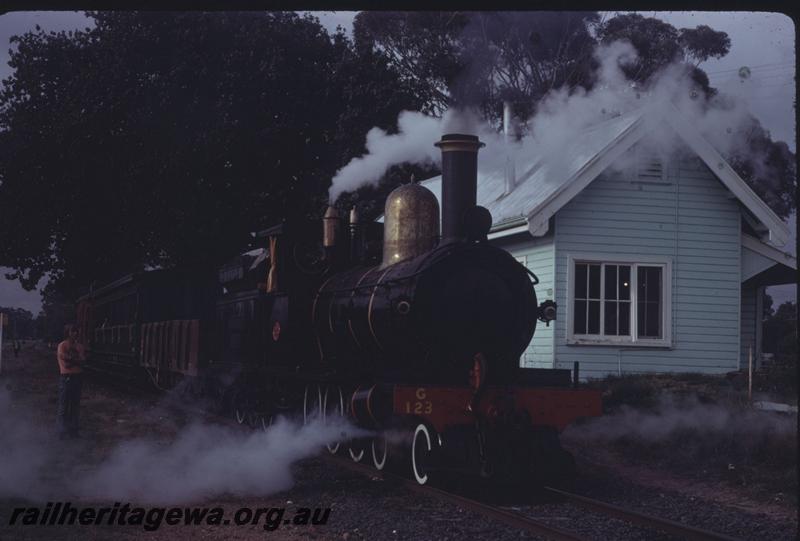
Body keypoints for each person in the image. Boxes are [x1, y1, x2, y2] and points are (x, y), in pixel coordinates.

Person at [57, 324, 85, 438]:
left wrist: (72, 360)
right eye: (73, 331)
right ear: (67, 332)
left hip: (77, 378)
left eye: (76, 331)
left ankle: (73, 431)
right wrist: (76, 361)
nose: (75, 333)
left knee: (75, 406)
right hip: (66, 378)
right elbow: (66, 364)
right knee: (63, 406)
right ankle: (62, 431)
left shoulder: (80, 346)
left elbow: (83, 361)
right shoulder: (62, 345)